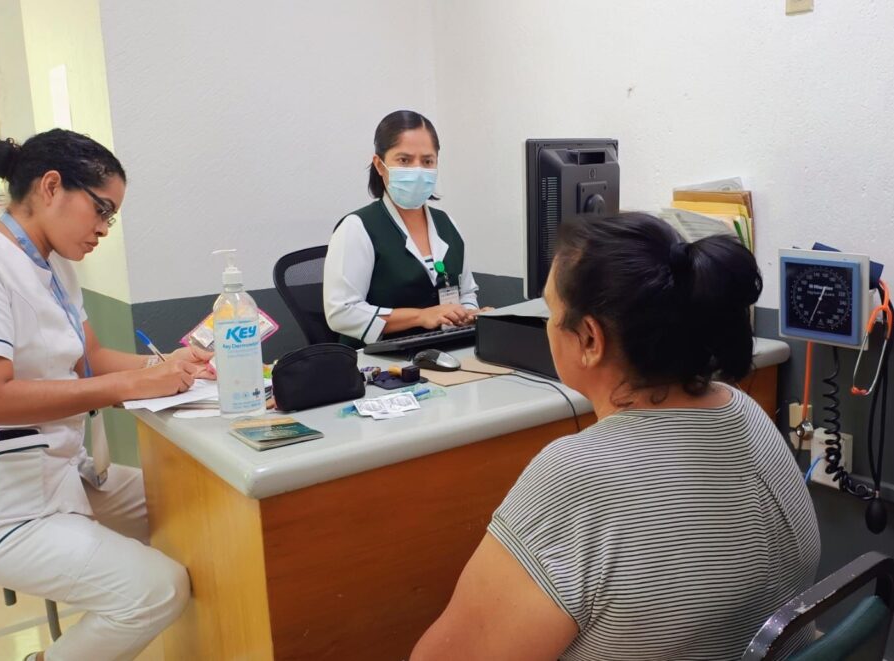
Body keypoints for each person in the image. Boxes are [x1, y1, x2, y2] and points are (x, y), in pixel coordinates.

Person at [412, 213, 821, 660]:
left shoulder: (578, 476)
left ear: (590, 338)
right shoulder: (743, 410)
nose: (547, 323)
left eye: (550, 310)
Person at [0, 129, 212, 661]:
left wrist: (173, 366)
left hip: (59, 473)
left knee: (211, 510)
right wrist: (131, 384)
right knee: (156, 588)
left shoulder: (54, 266)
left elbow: (91, 360)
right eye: (101, 209)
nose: (104, 229)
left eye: (112, 217)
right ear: (51, 186)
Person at [323, 110, 488, 347]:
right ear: (380, 166)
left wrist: (467, 315)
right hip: (379, 365)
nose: (417, 170)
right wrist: (421, 316)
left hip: (442, 354)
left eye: (427, 161)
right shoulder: (357, 228)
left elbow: (466, 292)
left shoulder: (447, 224)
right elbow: (341, 312)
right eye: (404, 160)